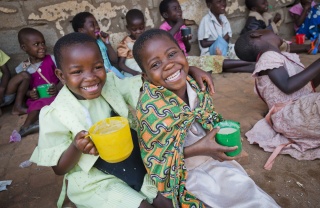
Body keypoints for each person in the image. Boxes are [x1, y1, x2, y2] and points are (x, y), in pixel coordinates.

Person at [29, 32, 217, 208]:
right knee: (142, 206)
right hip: (95, 177)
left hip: (132, 161)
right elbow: (59, 169)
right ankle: (77, 199)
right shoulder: (55, 113)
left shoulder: (111, 83)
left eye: (97, 67)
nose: (91, 78)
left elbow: (149, 80)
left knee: (168, 200)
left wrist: (188, 69)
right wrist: (76, 147)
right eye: (78, 72)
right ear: (61, 76)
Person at [133, 29, 279, 208]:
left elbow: (206, 114)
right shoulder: (150, 108)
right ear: (146, 76)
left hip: (213, 161)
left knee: (252, 196)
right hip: (183, 175)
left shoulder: (196, 84)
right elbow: (156, 158)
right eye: (155, 64)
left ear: (183, 52)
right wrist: (199, 148)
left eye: (172, 54)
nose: (168, 65)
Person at [235, 29, 320, 170]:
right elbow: (287, 86)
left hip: (299, 113)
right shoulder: (268, 57)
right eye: (271, 31)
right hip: (293, 115)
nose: (275, 32)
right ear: (257, 34)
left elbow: (306, 85)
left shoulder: (278, 57)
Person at [16, 28, 61, 137]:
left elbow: (64, 76)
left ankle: (30, 125)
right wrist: (30, 93)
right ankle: (26, 127)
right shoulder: (22, 68)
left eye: (43, 43)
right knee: (38, 105)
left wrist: (58, 87)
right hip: (38, 99)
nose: (42, 47)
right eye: (36, 44)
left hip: (56, 94)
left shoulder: (53, 59)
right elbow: (23, 89)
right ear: (24, 47)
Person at [71, 12, 125, 79]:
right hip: (98, 77)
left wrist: (107, 43)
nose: (97, 27)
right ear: (81, 31)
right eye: (92, 25)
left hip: (112, 72)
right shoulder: (82, 50)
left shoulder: (100, 42)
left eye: (96, 23)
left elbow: (115, 60)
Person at [117, 9, 145, 77]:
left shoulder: (146, 38)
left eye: (141, 28)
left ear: (144, 24)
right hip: (131, 68)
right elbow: (121, 64)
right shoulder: (126, 42)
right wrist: (134, 72)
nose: (138, 31)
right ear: (128, 28)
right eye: (134, 29)